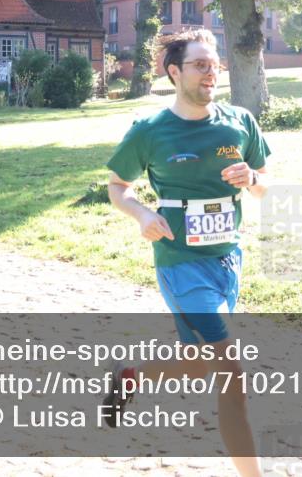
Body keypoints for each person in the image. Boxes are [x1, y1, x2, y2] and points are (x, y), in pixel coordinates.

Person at [104, 29, 270, 477]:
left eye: (214, 65)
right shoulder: (151, 131)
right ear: (174, 72)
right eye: (200, 65)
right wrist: (140, 214)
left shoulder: (240, 122)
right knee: (231, 373)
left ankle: (131, 375)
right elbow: (117, 187)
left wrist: (251, 178)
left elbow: (267, 185)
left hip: (228, 261)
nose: (210, 73)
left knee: (199, 363)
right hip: (180, 264)